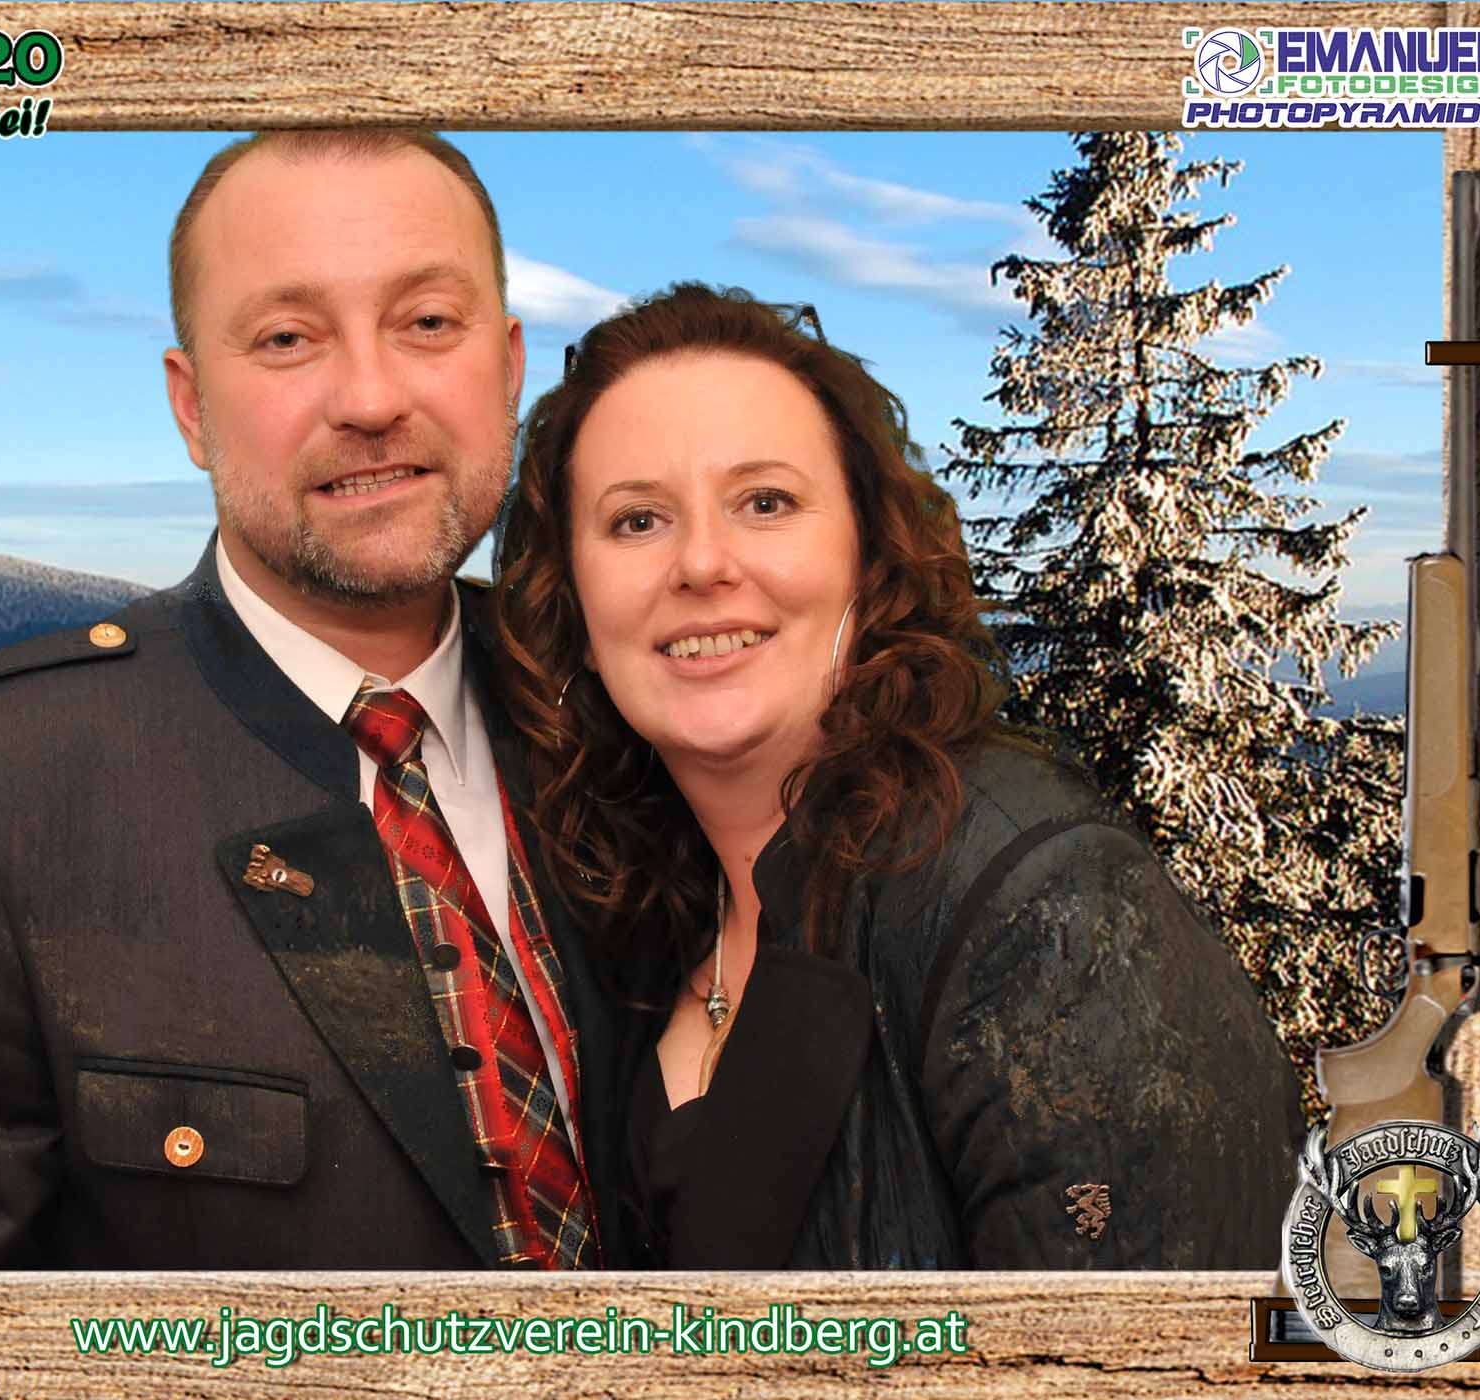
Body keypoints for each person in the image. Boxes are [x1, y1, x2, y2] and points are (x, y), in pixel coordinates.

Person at [0, 130, 616, 1271]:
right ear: (190, 407)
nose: (371, 396)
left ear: (508, 366)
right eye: (287, 338)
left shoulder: (624, 710)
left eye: (428, 322)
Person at [492, 283, 1303, 1268]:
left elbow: (1167, 1340)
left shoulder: (1040, 904)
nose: (701, 563)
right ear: (575, 606)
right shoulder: (651, 924)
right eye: (635, 520)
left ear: (868, 560)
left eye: (764, 502)